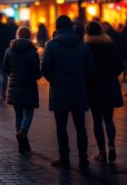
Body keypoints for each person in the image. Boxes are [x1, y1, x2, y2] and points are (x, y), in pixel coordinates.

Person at [41, 14, 93, 169]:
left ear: (57, 28)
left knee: (61, 126)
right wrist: (82, 80)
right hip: (79, 90)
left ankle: (64, 157)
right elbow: (90, 68)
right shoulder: (83, 45)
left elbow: (45, 69)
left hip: (59, 91)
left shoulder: (51, 46)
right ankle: (83, 159)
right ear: (71, 27)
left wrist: (54, 80)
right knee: (80, 126)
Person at [84, 21, 124, 163]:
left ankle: (101, 152)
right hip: (110, 85)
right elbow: (120, 65)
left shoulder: (87, 47)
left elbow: (85, 68)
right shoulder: (110, 45)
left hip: (94, 87)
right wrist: (112, 76)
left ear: (87, 32)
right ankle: (112, 146)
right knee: (109, 119)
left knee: (97, 120)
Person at [3, 27, 41, 154]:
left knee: (18, 115)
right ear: (29, 36)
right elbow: (36, 73)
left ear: (17, 35)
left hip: (14, 86)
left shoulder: (9, 51)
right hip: (29, 86)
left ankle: (22, 144)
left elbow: (5, 68)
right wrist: (38, 75)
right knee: (28, 114)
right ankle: (23, 131)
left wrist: (13, 75)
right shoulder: (33, 53)